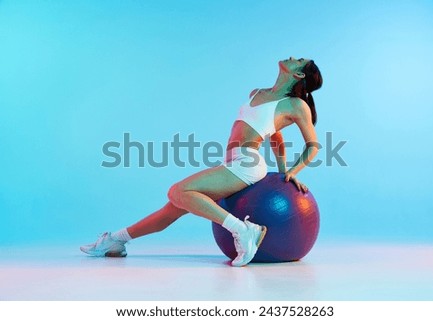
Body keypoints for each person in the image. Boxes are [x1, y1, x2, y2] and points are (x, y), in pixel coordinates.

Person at [80, 57, 323, 267]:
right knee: (172, 209)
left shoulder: (296, 105)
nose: (292, 56)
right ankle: (117, 241)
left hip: (248, 163)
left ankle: (244, 230)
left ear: (298, 74)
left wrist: (288, 175)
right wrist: (281, 173)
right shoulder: (257, 93)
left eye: (299, 60)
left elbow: (313, 145)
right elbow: (276, 138)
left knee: (177, 191)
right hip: (232, 161)